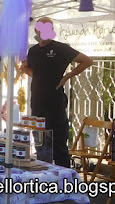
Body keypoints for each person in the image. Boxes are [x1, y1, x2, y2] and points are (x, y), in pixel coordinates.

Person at [21, 17, 93, 168]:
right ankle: (44, 182)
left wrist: (67, 76)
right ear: (36, 30)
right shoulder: (33, 50)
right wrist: (35, 74)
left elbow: (87, 61)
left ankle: (66, 184)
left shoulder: (61, 48)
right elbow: (26, 67)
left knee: (60, 148)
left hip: (56, 105)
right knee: (41, 148)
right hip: (37, 106)